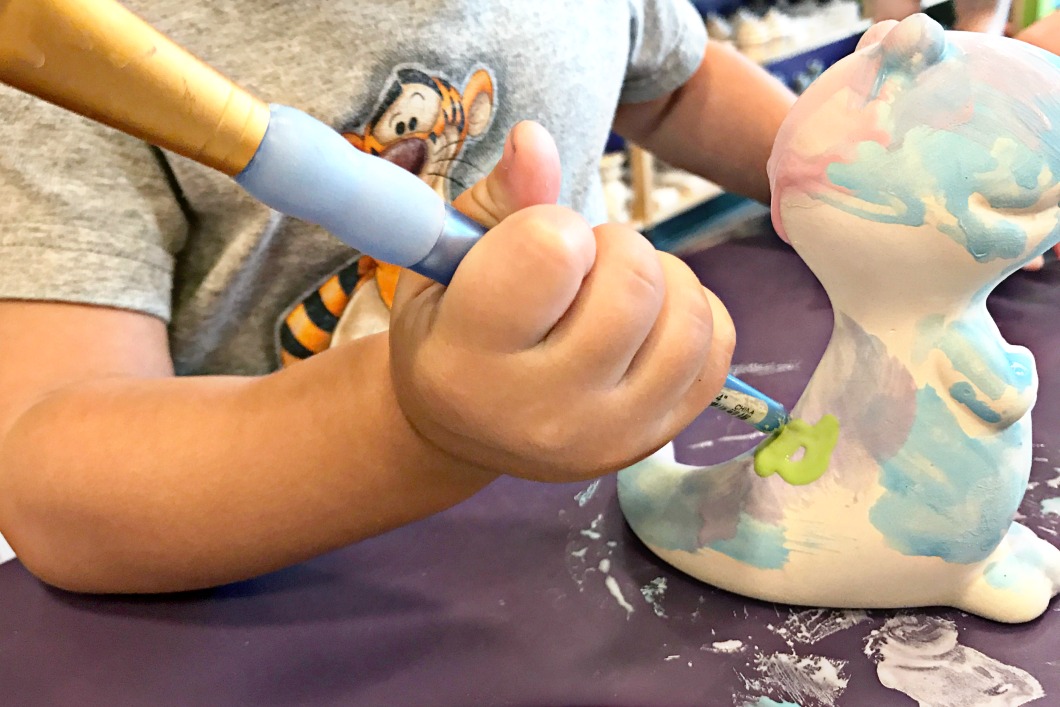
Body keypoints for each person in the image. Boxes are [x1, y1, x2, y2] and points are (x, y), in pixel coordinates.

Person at [0, 1, 793, 592]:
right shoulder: (73, 45)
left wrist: (829, 175)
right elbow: (48, 481)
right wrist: (413, 424)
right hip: (305, 587)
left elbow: (673, 86)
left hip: (589, 525)